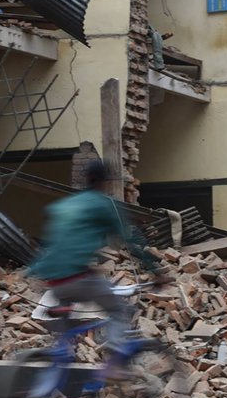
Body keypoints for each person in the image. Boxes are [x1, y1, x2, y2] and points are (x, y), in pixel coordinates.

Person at [27, 159, 165, 376]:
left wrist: (31, 270)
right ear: (105, 182)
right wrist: (155, 271)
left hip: (52, 280)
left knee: (65, 326)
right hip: (77, 276)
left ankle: (57, 365)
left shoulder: (65, 205)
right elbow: (130, 241)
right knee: (118, 310)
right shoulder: (103, 204)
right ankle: (116, 349)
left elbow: (51, 241)